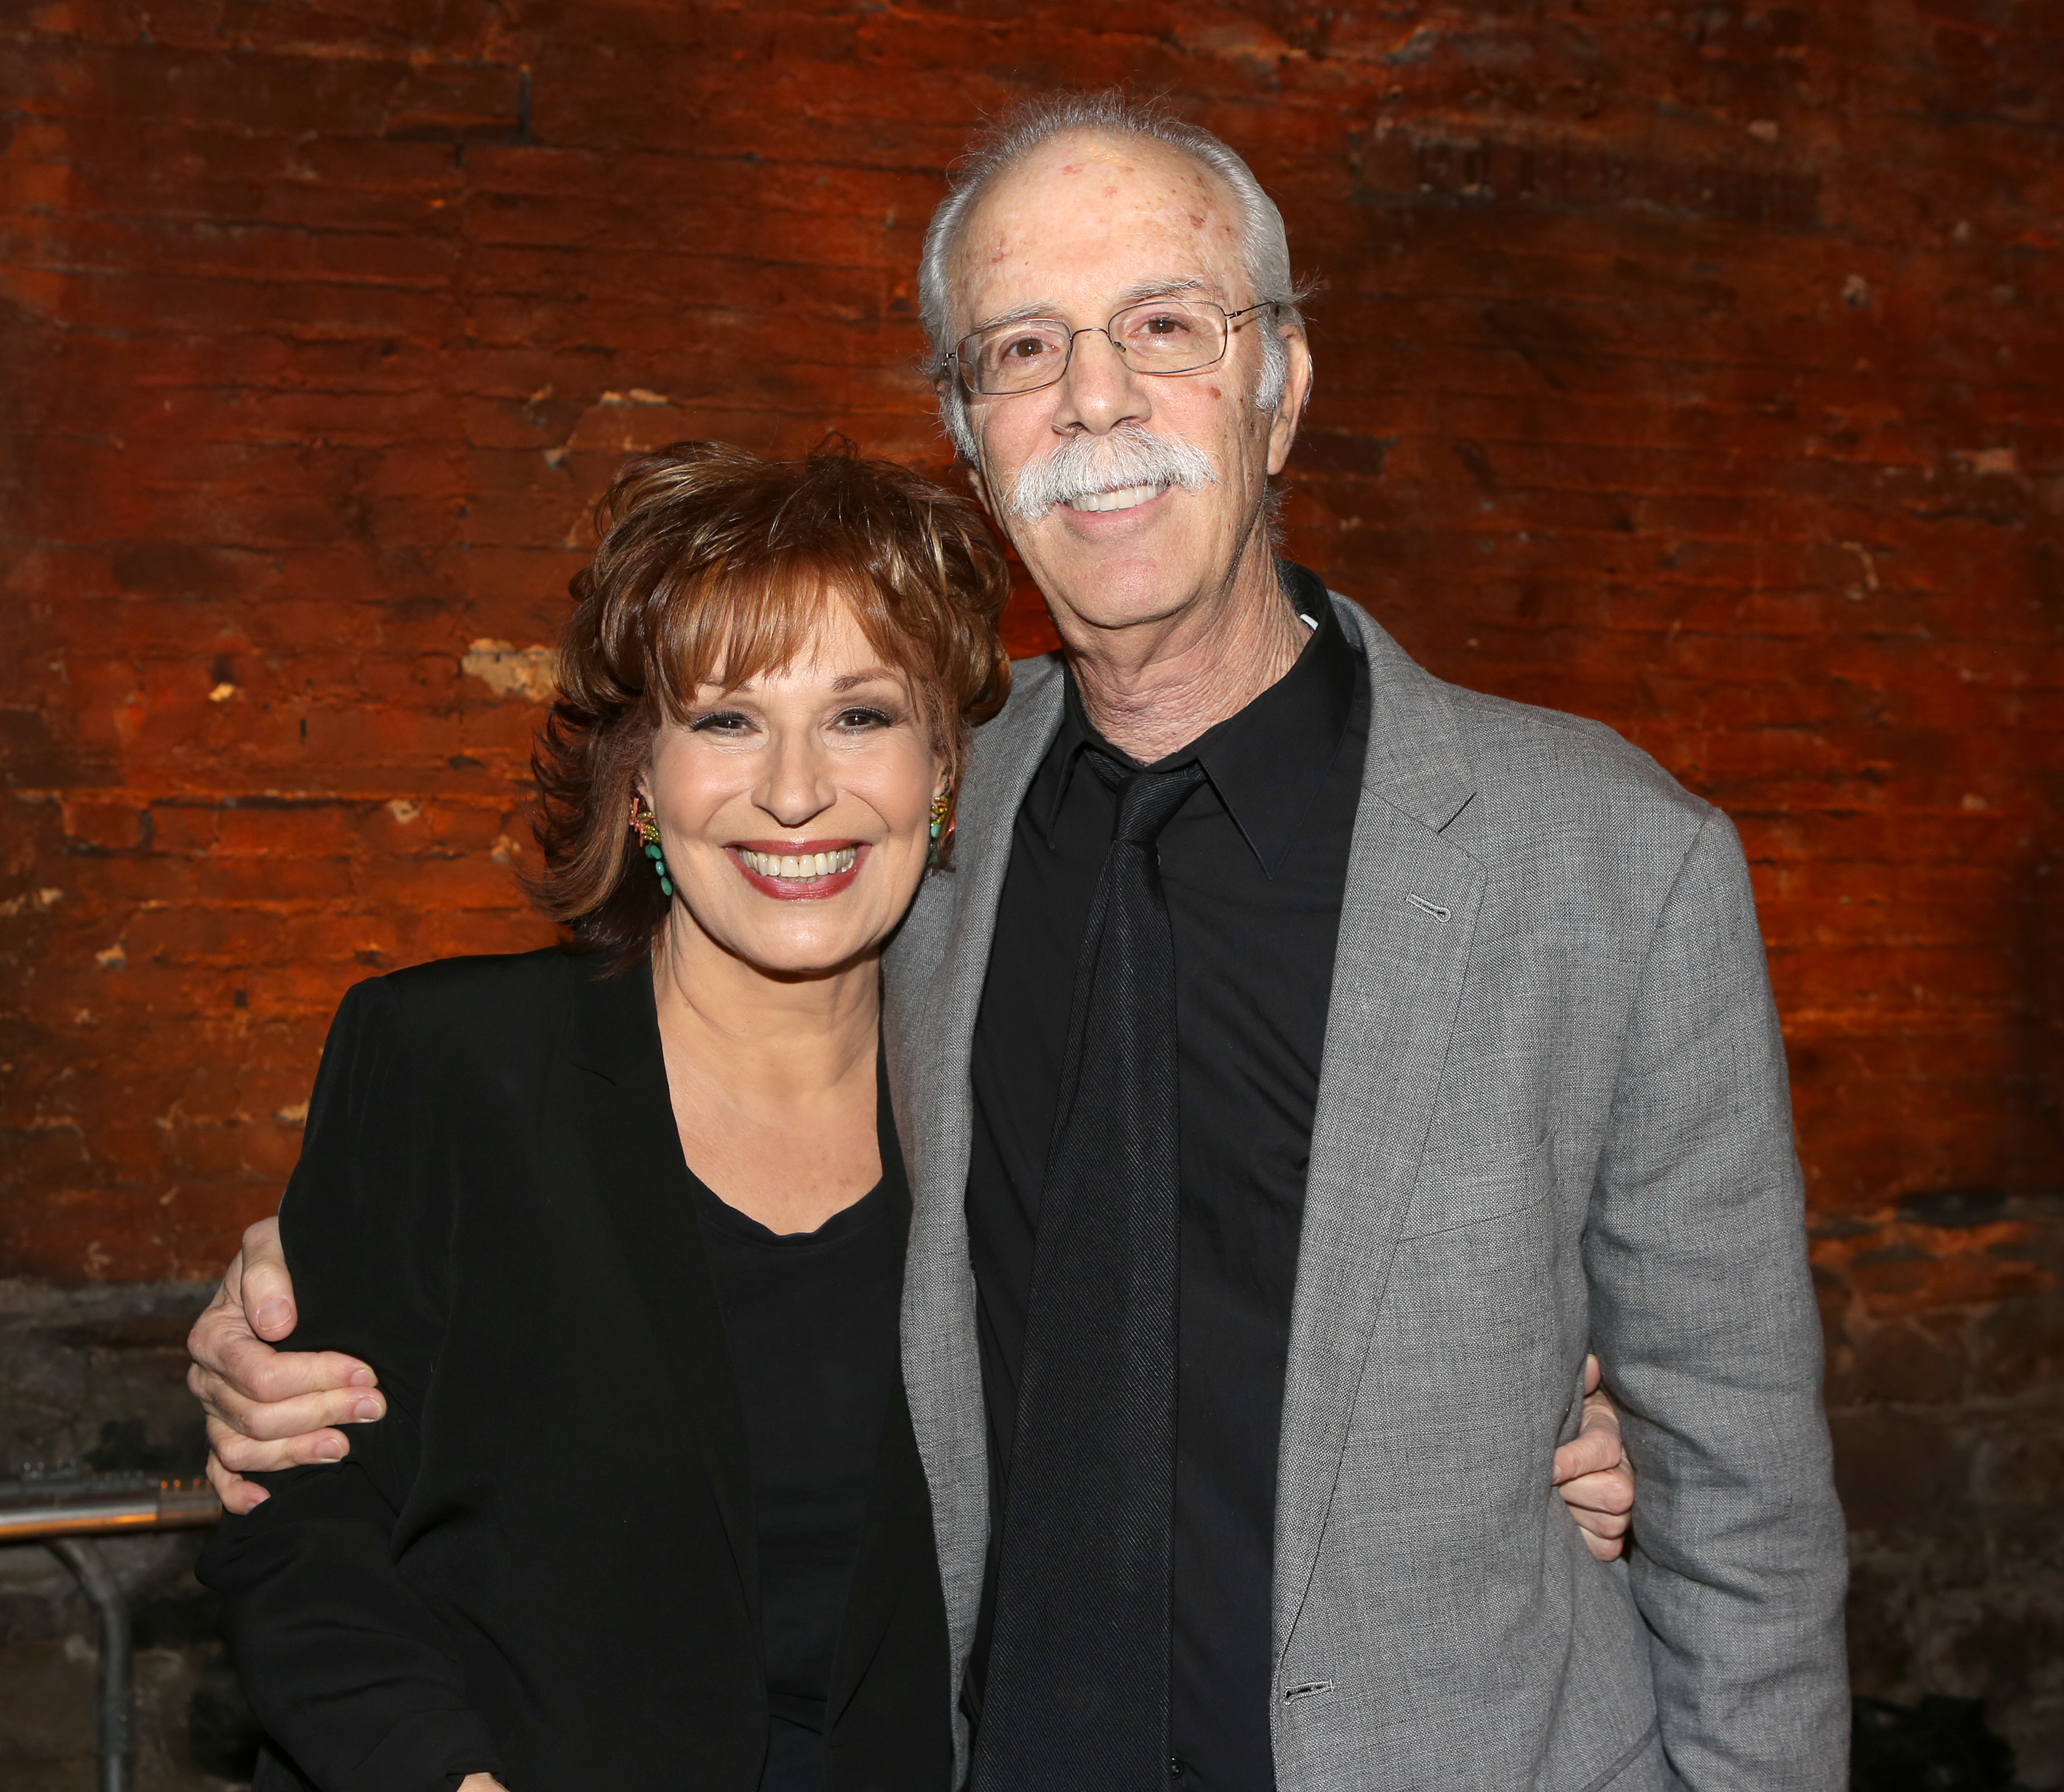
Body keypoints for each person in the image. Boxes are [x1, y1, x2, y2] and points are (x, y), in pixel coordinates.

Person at [183, 87, 1840, 1792]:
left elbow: (1746, 1504)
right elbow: (617, 1169)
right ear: (974, 440)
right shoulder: (912, 826)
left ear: (1284, 384)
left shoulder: (1613, 864)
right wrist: (283, 1300)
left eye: (1165, 327)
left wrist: (1588, 1438)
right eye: (1024, 348)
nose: (1098, 397)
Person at [196, 442, 1014, 1791]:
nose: (796, 790)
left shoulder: (1013, 1115)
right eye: (729, 720)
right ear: (642, 779)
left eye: (862, 716)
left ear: (942, 774)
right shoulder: (451, 1062)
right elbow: (305, 1526)